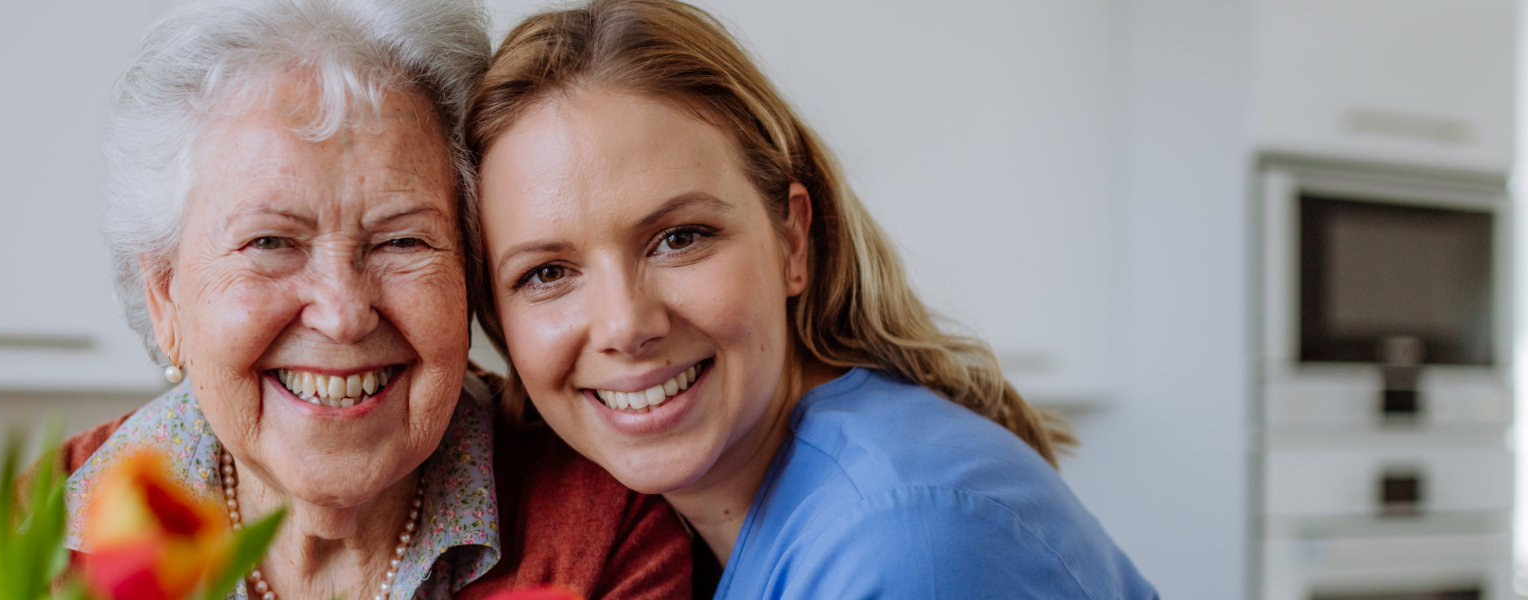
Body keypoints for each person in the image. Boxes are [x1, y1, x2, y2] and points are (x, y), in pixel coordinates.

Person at [465, 0, 1158, 597]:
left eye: (680, 237)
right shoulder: (674, 533)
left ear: (792, 241)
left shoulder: (905, 543)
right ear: (498, 321)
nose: (624, 323)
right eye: (547, 275)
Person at [58, 1, 691, 598]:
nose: (342, 314)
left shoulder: (605, 533)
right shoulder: (32, 538)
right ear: (165, 294)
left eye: (402, 241)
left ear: (470, 273)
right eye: (271, 241)